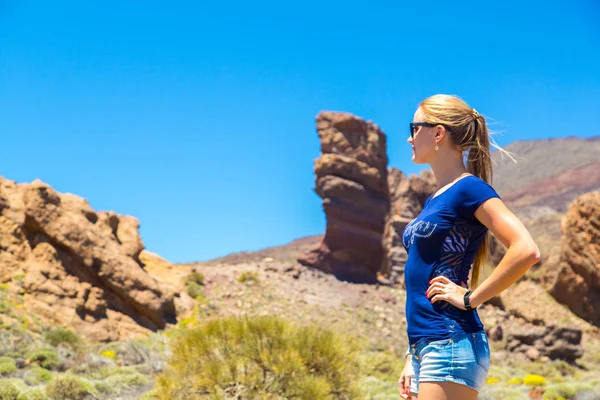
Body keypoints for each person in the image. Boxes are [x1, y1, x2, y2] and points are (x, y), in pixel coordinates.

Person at [397, 94, 541, 400]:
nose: (408, 138)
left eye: (414, 128)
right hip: (428, 345)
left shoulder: (469, 188)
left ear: (438, 133)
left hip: (449, 342)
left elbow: (526, 249)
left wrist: (470, 297)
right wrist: (412, 357)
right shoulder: (436, 199)